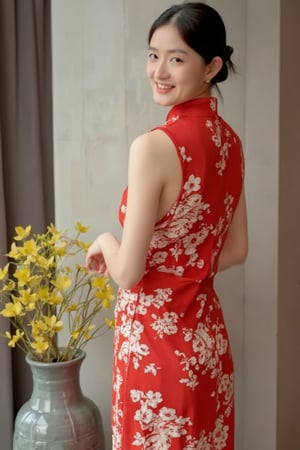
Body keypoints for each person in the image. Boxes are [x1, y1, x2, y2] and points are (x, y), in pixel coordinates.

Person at [86, 2, 248, 449]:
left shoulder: (153, 147)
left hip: (155, 350)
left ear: (212, 66)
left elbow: (126, 273)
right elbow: (234, 250)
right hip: (207, 346)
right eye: (153, 55)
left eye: (176, 58)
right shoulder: (230, 144)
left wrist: (105, 238)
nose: (159, 70)